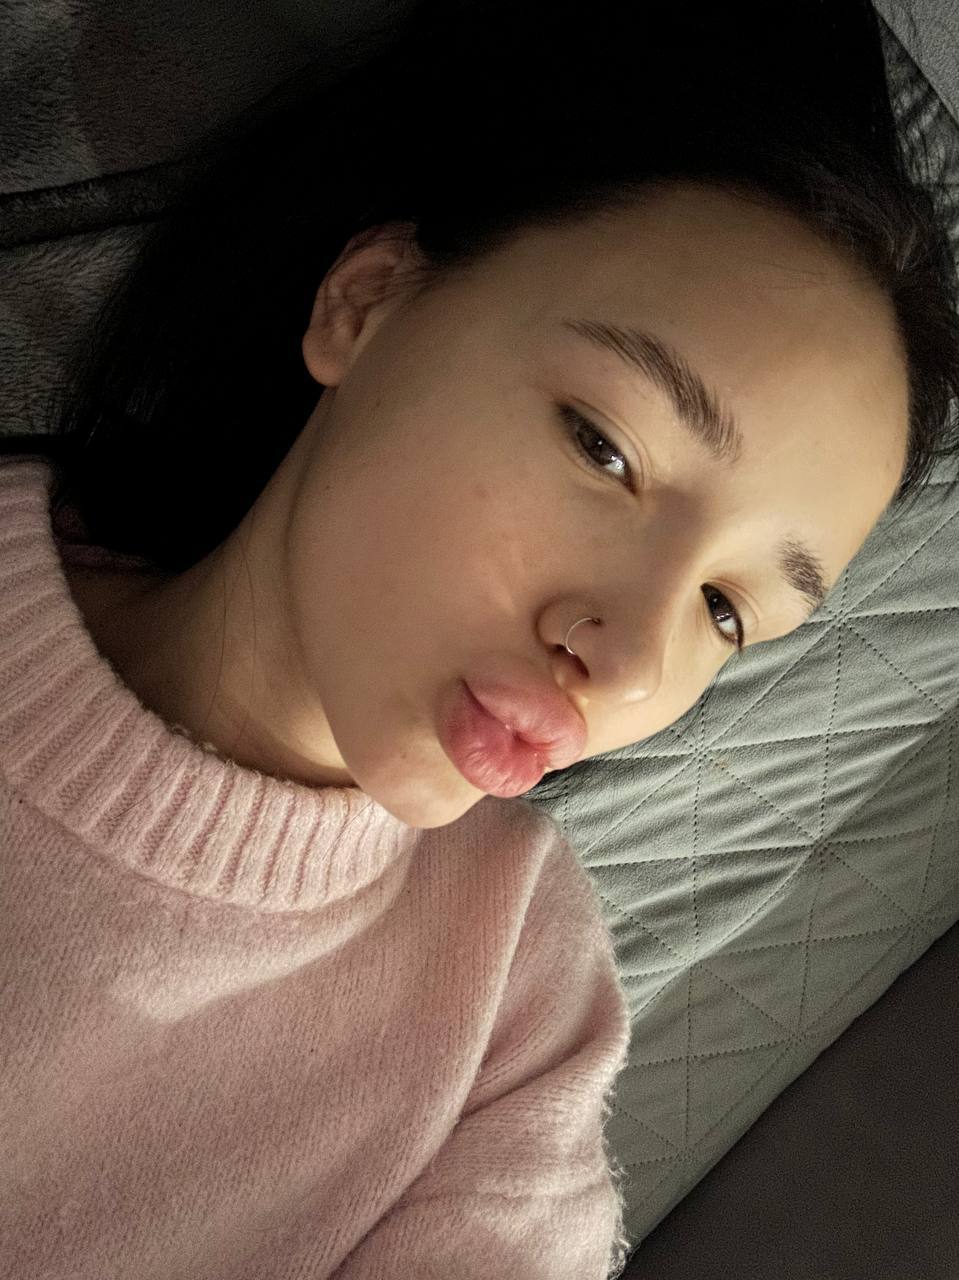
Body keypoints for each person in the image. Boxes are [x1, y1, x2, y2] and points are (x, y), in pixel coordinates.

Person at [1, 0, 957, 1276]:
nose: (628, 657)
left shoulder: (514, 1014)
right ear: (367, 301)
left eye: (726, 612)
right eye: (604, 449)